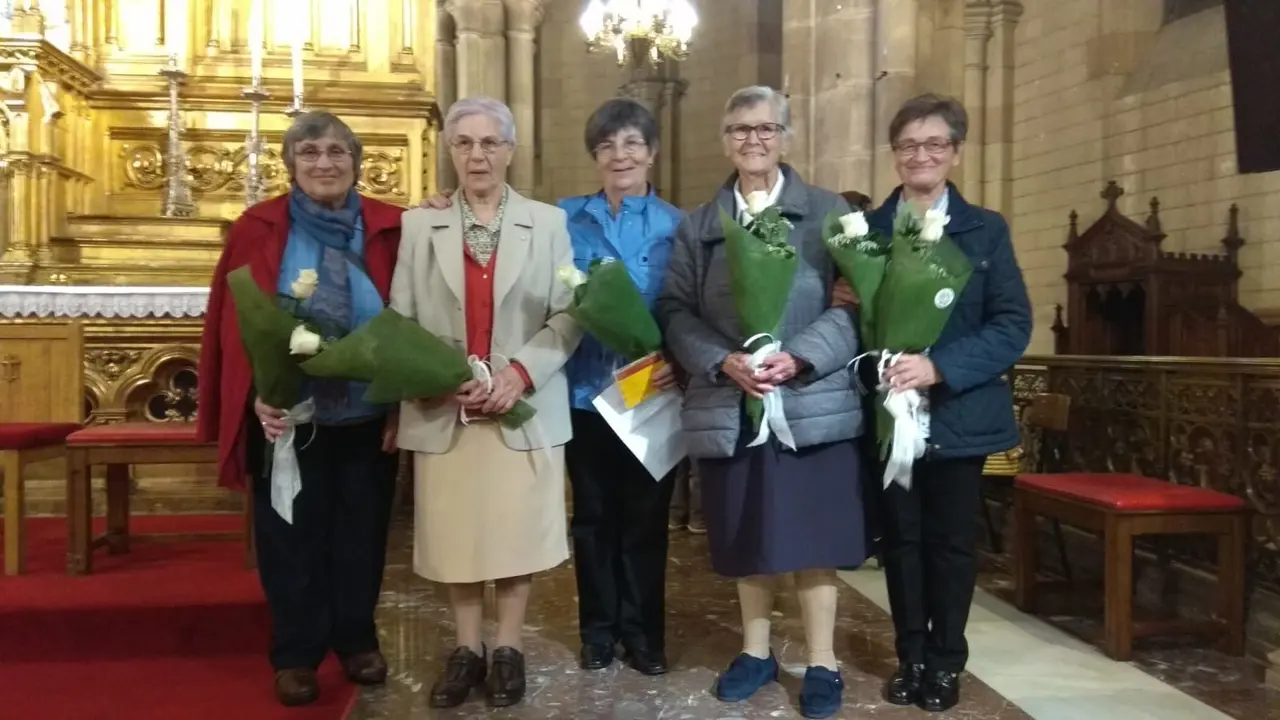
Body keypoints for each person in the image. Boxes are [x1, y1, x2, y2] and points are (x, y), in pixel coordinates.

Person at [419, 98, 684, 676]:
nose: (620, 155)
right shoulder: (563, 218)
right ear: (594, 156)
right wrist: (439, 203)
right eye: (607, 146)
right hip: (583, 391)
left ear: (652, 152)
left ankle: (644, 635)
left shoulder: (678, 225)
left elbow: (689, 303)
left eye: (632, 143)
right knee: (591, 517)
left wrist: (680, 360)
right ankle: (598, 632)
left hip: (651, 392)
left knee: (645, 520)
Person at [654, 85, 867, 720]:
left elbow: (854, 303)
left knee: (814, 536)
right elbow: (674, 309)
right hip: (732, 398)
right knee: (748, 528)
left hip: (811, 397)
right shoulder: (700, 225)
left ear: (786, 137)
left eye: (766, 128)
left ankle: (822, 660)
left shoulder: (828, 212)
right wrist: (721, 360)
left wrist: (800, 356)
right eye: (741, 130)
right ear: (725, 140)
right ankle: (755, 652)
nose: (754, 140)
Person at [197, 111, 401, 707]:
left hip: (367, 407)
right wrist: (256, 391)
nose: (324, 163)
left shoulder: (390, 226)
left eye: (337, 151)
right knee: (290, 535)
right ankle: (296, 654)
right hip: (288, 413)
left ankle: (357, 641)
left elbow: (412, 310)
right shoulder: (258, 227)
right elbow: (235, 321)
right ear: (290, 164)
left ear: (356, 162)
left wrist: (402, 402)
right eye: (309, 152)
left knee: (362, 531)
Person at [394, 96, 582, 710]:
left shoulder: (547, 224)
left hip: (520, 405)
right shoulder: (419, 225)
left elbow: (569, 315)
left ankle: (508, 647)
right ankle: (466, 647)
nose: (478, 155)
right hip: (445, 406)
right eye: (465, 143)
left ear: (510, 150)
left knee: (514, 535)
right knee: (457, 537)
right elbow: (401, 318)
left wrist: (521, 374)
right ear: (450, 150)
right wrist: (438, 377)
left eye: (490, 143)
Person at [867, 93, 1031, 712]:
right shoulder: (867, 233)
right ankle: (910, 655)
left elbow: (1012, 323)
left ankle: (945, 661)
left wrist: (939, 368)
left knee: (952, 545)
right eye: (908, 145)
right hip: (889, 412)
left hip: (959, 412)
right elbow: (850, 320)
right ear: (894, 153)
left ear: (955, 152)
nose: (921, 155)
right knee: (900, 541)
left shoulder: (985, 229)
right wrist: (879, 367)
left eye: (935, 143)